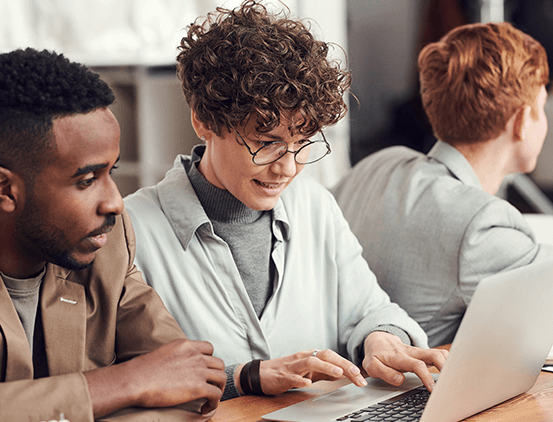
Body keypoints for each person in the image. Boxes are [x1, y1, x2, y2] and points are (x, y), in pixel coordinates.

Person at [123, 0, 448, 401]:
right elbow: (127, 380)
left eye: (304, 142)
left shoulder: (314, 204)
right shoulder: (132, 230)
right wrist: (245, 376)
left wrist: (381, 340)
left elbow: (370, 310)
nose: (288, 168)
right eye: (267, 143)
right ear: (204, 121)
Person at [0, 48, 226, 422]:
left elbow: (188, 385)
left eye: (111, 172)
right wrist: (127, 382)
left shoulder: (106, 240)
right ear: (4, 188)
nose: (116, 202)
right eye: (86, 181)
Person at [331, 22, 553, 348]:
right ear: (520, 122)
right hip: (411, 392)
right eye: (541, 108)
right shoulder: (477, 227)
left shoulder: (380, 163)